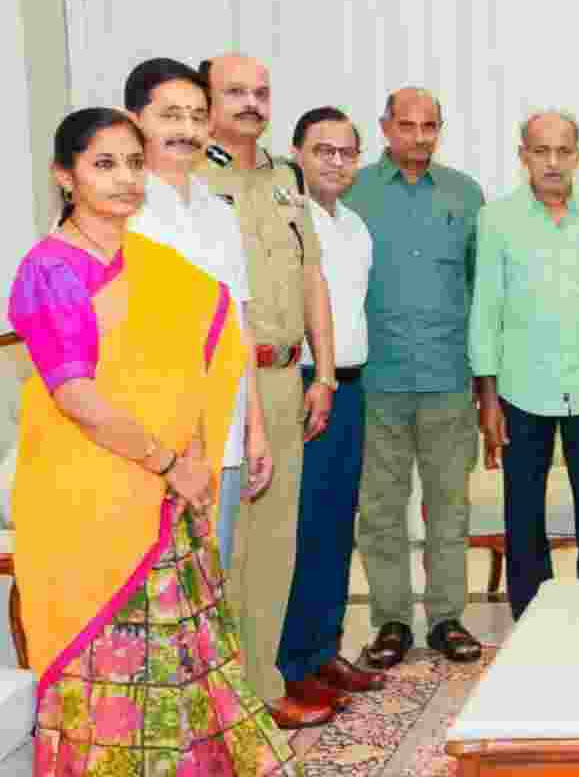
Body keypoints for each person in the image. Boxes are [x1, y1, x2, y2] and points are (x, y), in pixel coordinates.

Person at [11, 108, 299, 771]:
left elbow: (207, 356)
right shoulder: (51, 270)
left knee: (179, 663)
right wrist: (172, 462)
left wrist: (194, 455)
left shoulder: (161, 269)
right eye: (103, 164)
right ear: (65, 176)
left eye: (134, 163)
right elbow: (77, 397)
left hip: (168, 495)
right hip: (87, 504)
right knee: (111, 670)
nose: (124, 179)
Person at [195, 53, 339, 724]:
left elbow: (313, 277)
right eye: (235, 92)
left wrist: (326, 372)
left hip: (285, 379)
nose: (251, 103)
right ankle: (221, 698)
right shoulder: (190, 179)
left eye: (261, 92)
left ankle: (264, 686)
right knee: (225, 547)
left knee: (277, 541)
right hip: (219, 382)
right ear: (206, 99)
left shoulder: (286, 179)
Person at [470, 110, 579, 620]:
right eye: (541, 151)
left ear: (578, 157)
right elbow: (486, 309)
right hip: (522, 387)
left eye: (564, 151)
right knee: (524, 513)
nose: (553, 162)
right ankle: (533, 621)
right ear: (523, 157)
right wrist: (488, 396)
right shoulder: (497, 219)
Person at [344, 88, 487, 666]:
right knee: (380, 510)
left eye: (430, 126)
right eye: (407, 125)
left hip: (450, 379)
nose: (419, 137)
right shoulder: (353, 192)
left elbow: (482, 291)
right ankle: (392, 620)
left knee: (448, 508)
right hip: (375, 381)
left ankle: (447, 616)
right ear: (385, 127)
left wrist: (485, 383)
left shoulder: (465, 193)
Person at [121, 57, 273, 578]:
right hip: (149, 443)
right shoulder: (121, 212)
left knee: (209, 588)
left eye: (195, 116)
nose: (185, 129)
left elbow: (238, 322)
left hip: (222, 434)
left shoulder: (219, 212)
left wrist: (254, 426)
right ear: (134, 119)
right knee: (149, 601)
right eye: (170, 115)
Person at [275, 107, 386, 698]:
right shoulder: (288, 221)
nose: (336, 162)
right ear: (297, 152)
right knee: (302, 525)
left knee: (337, 526)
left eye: (346, 152)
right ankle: (289, 664)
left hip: (351, 386)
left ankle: (324, 649)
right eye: (323, 150)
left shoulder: (355, 226)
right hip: (303, 385)